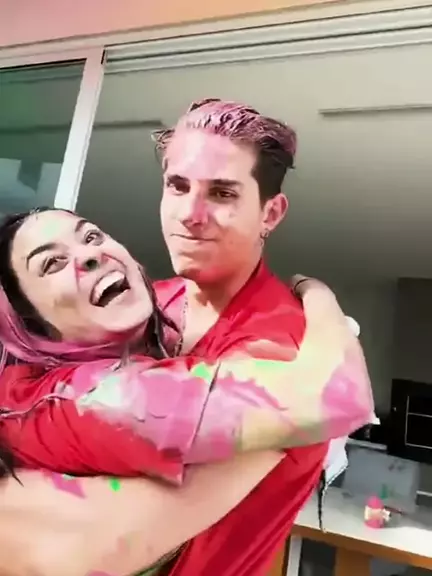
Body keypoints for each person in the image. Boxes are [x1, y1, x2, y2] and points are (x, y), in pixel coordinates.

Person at [0, 99, 374, 575]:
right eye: (177, 186)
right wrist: (320, 296)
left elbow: (336, 397)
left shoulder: (283, 347)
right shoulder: (144, 306)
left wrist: (319, 304)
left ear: (271, 214)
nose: (190, 214)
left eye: (222, 193)